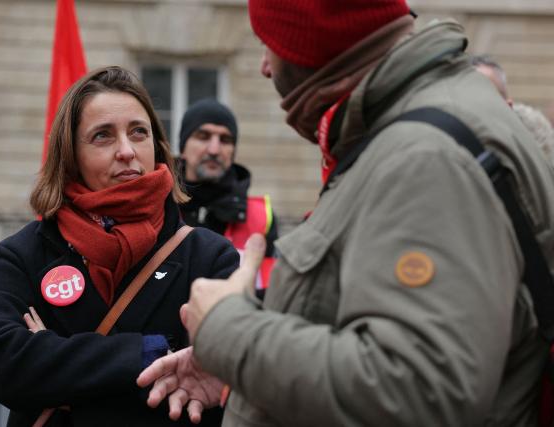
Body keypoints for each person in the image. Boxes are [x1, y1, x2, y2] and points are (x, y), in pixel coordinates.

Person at [138, 1, 554, 426]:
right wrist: (244, 371)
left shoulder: (424, 155)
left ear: (311, 43)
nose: (264, 66)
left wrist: (231, 333)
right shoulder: (413, 126)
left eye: (270, 44)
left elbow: (418, 392)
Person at [0, 66, 239, 427]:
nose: (127, 151)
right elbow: (5, 366)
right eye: (103, 136)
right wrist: (151, 353)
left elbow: (217, 380)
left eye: (138, 132)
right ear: (70, 155)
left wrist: (54, 360)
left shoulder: (210, 255)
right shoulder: (23, 254)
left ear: (157, 146)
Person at [178, 99, 278, 291]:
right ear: (183, 146)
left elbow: (266, 295)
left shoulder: (262, 217)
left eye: (225, 140)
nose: (214, 149)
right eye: (203, 136)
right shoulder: (158, 205)